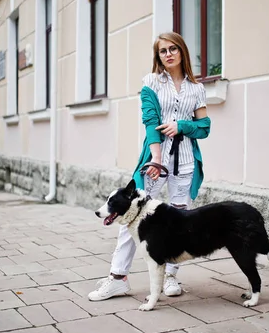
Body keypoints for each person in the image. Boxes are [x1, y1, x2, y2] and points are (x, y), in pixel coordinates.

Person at [88, 31, 211, 301]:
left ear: (182, 51)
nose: (167, 54)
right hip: (156, 160)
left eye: (172, 49)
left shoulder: (196, 88)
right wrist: (155, 158)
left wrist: (182, 126)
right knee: (130, 218)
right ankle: (118, 277)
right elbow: (150, 120)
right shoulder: (152, 82)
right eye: (162, 51)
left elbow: (204, 128)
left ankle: (170, 277)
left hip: (186, 162)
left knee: (181, 220)